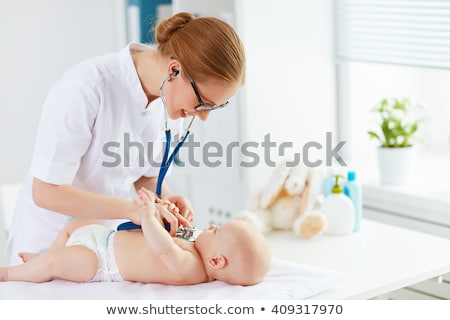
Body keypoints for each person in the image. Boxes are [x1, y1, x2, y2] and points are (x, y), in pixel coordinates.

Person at [6, 12, 246, 265]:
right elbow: (46, 192)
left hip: (101, 250)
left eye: (213, 108)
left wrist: (165, 196)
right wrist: (133, 210)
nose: (203, 117)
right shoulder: (85, 88)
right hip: (46, 246)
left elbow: (143, 174)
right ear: (174, 70)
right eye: (203, 104)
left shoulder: (169, 99)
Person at [0, 189, 271, 286]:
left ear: (217, 262)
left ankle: (12, 274)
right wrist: (169, 212)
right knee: (73, 226)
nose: (211, 226)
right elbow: (171, 235)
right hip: (104, 237)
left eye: (217, 231)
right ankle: (41, 259)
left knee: (58, 261)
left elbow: (163, 248)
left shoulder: (192, 267)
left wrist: (149, 216)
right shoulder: (198, 247)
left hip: (102, 262)